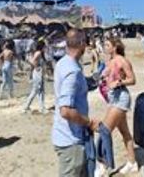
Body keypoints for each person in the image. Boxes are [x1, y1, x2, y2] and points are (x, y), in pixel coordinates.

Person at [52, 29, 100, 177]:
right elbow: (65, 110)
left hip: (67, 135)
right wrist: (88, 122)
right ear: (81, 44)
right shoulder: (72, 70)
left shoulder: (64, 63)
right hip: (70, 141)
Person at [96, 38, 139, 176]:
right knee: (125, 132)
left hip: (121, 98)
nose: (105, 46)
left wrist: (119, 82)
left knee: (104, 130)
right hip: (112, 98)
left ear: (114, 47)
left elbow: (132, 79)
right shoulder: (109, 61)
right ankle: (132, 163)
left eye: (107, 44)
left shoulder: (122, 61)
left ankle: (103, 165)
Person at [23, 39, 47, 114]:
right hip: (37, 73)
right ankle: (26, 106)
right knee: (36, 90)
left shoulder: (40, 53)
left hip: (39, 73)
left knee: (41, 91)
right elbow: (33, 61)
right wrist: (37, 67)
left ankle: (42, 107)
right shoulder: (38, 53)